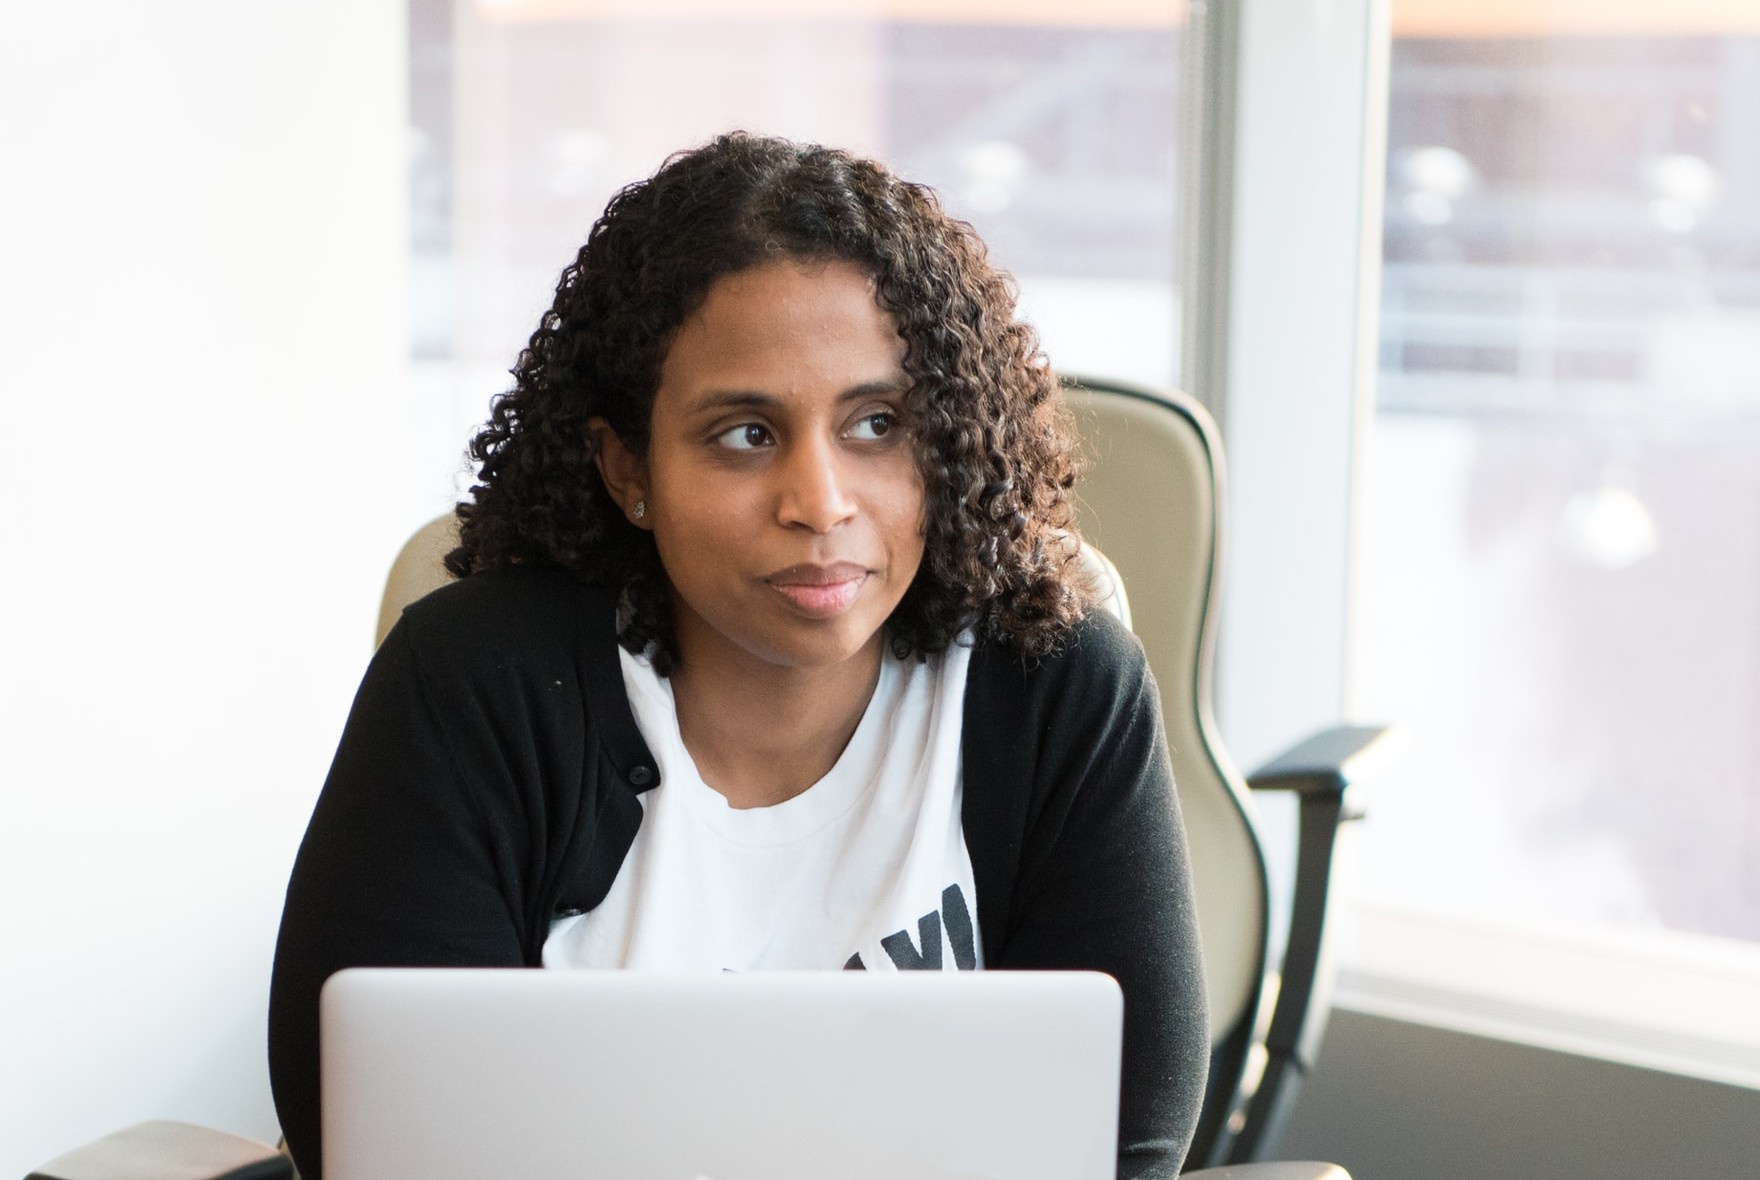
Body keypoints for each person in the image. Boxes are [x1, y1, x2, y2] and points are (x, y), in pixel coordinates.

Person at [268, 131, 1207, 1179]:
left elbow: (1125, 1143)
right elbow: (371, 1130)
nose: (818, 503)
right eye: (744, 434)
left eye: (877, 423)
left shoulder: (1055, 688)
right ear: (627, 466)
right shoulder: (471, 687)